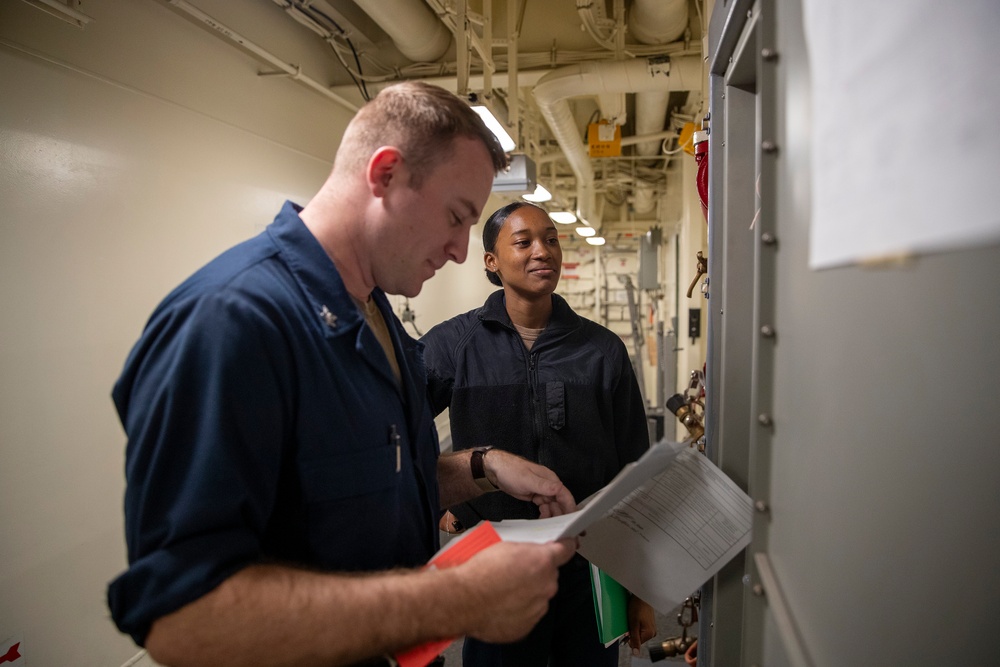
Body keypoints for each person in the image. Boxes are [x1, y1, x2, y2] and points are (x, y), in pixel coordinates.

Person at [108, 81, 579, 667]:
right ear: (384, 174)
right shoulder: (233, 323)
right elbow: (181, 619)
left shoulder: (372, 310)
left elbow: (369, 482)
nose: (461, 250)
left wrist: (480, 466)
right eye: (456, 218)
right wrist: (450, 601)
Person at [421, 201, 658, 667]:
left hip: (590, 565)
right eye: (523, 241)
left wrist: (639, 589)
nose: (542, 251)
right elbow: (394, 425)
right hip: (496, 566)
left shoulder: (601, 351)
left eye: (550, 239)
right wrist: (445, 494)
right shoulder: (454, 346)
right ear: (491, 261)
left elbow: (636, 469)